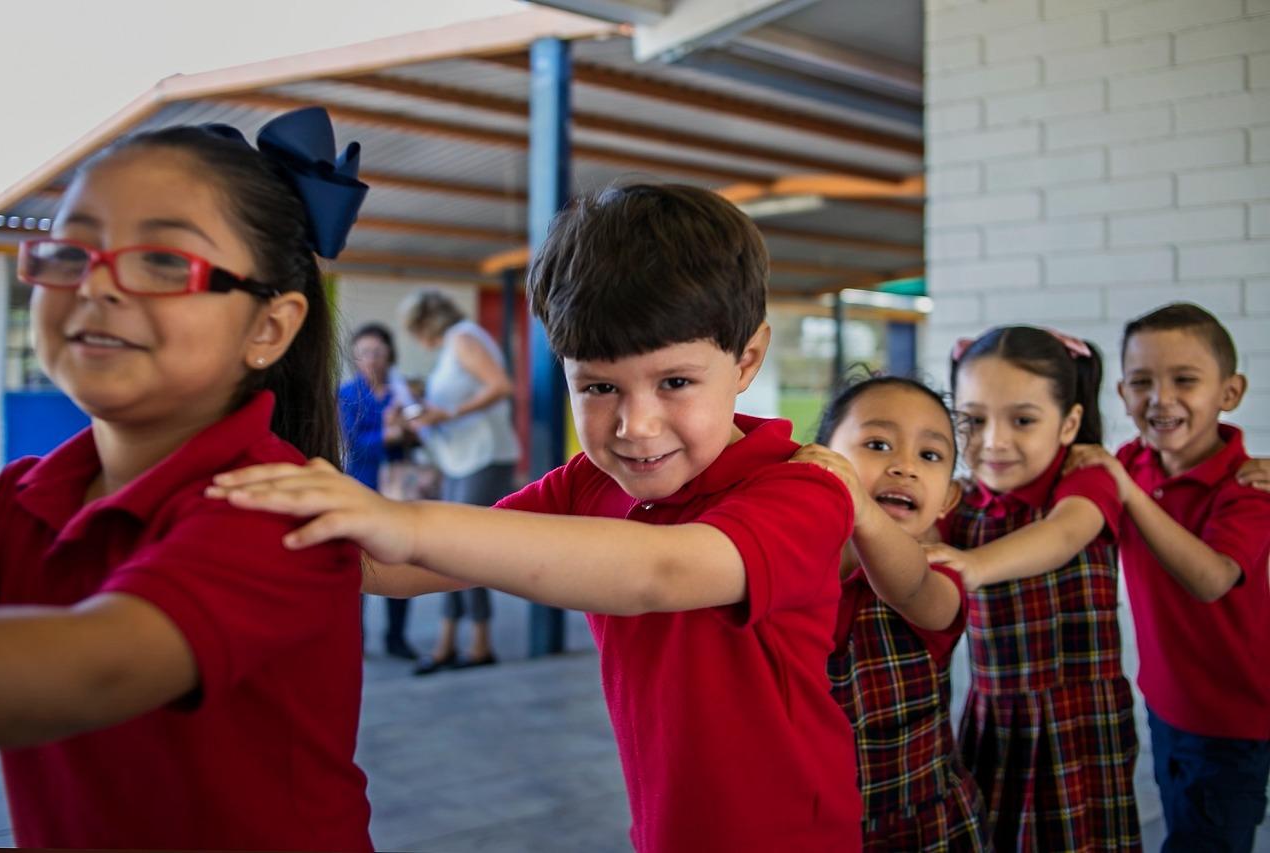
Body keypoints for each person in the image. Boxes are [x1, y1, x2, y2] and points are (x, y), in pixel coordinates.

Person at [206, 183, 938, 852]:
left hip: (790, 832)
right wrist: (276, 521)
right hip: (666, 823)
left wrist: (406, 521)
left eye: (675, 381)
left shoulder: (800, 487)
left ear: (747, 360)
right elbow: (403, 564)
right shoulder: (589, 481)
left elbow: (662, 570)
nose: (635, 425)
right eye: (598, 386)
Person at [0, 107, 373, 850]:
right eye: (72, 251)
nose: (98, 286)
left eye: (164, 261)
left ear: (270, 327)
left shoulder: (277, 506)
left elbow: (95, 667)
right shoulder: (18, 498)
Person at [923, 326, 1140, 851]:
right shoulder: (962, 501)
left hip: (1081, 716)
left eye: (1022, 420)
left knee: (1086, 836)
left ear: (1068, 425)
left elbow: (1063, 535)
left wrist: (972, 565)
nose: (993, 441)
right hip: (998, 714)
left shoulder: (1084, 480)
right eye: (973, 421)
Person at [1064, 303, 1270, 853]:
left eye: (1185, 380)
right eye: (1141, 382)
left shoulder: (1248, 487)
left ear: (1229, 392)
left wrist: (1125, 491)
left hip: (1231, 719)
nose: (1161, 398)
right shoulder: (1132, 460)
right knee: (1181, 825)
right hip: (1162, 701)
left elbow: (1212, 579)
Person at [812, 375, 988, 851]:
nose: (904, 467)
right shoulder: (793, 569)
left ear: (948, 499)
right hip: (809, 822)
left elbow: (911, 590)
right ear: (820, 459)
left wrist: (864, 512)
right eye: (877, 444)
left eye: (929, 456)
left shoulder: (937, 575)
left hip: (920, 828)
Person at [402, 290, 520, 673]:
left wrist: (446, 412)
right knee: (446, 550)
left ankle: (480, 645)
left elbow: (501, 386)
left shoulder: (463, 338)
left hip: (484, 458)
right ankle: (446, 644)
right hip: (461, 462)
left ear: (425, 323)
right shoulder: (457, 344)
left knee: (467, 551)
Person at [339, 322, 417, 660]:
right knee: (356, 567)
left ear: (389, 355)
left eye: (378, 352)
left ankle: (396, 637)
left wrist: (408, 429)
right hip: (361, 489)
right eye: (365, 353)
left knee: (401, 561)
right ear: (355, 358)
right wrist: (389, 432)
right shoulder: (346, 395)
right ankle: (353, 639)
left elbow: (417, 437)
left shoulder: (402, 391)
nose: (372, 359)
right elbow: (353, 446)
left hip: (399, 489)